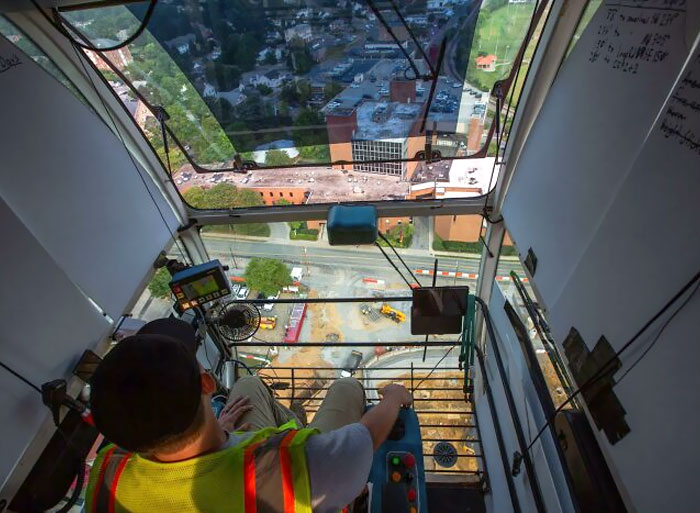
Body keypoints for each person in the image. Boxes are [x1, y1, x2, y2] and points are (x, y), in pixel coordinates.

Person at [85, 318, 412, 513]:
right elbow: (365, 439)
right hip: (300, 466)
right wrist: (394, 397)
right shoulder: (285, 468)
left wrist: (217, 431)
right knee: (345, 387)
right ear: (207, 383)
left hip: (231, 444)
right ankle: (300, 422)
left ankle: (292, 420)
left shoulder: (106, 475)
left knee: (249, 384)